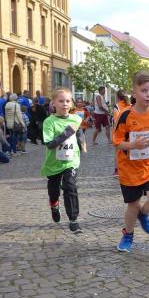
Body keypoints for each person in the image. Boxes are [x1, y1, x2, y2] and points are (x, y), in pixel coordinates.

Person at [113, 71, 149, 252]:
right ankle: (128, 234)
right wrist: (133, 145)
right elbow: (117, 143)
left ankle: (143, 214)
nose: (148, 95)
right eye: (144, 91)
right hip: (129, 169)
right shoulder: (125, 115)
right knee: (133, 205)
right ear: (134, 92)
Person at [42, 88, 84, 234]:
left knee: (70, 186)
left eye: (68, 101)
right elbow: (50, 144)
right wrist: (67, 132)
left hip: (71, 161)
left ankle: (73, 220)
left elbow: (79, 131)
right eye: (61, 101)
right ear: (53, 103)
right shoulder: (49, 122)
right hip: (53, 163)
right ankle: (54, 204)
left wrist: (82, 142)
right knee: (54, 191)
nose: (65, 104)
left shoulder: (76, 118)